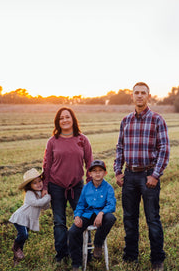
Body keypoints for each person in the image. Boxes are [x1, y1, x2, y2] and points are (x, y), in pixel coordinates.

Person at [114, 82, 170, 271]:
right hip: (129, 175)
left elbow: (164, 150)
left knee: (152, 218)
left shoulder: (157, 120)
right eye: (136, 93)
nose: (139, 96)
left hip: (148, 176)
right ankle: (130, 256)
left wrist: (155, 175)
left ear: (148, 96)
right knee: (129, 218)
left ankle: (157, 259)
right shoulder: (125, 121)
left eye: (143, 93)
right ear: (132, 96)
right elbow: (120, 147)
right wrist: (118, 171)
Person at [42, 107, 94, 263]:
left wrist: (90, 184)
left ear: (73, 119)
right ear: (58, 122)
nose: (64, 120)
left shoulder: (82, 139)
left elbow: (89, 162)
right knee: (59, 221)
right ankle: (61, 254)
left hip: (77, 186)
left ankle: (87, 252)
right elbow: (47, 164)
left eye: (67, 117)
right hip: (56, 185)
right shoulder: (52, 141)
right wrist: (44, 186)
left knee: (83, 218)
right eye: (61, 118)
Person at [68, 160, 117, 271]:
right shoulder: (86, 187)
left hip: (102, 215)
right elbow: (80, 204)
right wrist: (77, 216)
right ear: (90, 173)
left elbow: (111, 205)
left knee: (111, 218)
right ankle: (76, 263)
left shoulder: (108, 187)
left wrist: (101, 213)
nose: (97, 173)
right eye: (94, 171)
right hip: (88, 215)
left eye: (100, 171)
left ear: (105, 173)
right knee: (72, 232)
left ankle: (98, 244)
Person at [9, 168, 51, 266]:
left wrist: (46, 197)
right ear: (29, 186)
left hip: (28, 220)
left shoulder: (41, 194)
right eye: (34, 183)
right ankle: (15, 247)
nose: (38, 184)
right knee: (24, 235)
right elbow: (36, 203)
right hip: (20, 217)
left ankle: (17, 258)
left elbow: (45, 206)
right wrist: (47, 197)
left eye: (39, 181)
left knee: (22, 241)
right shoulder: (29, 193)